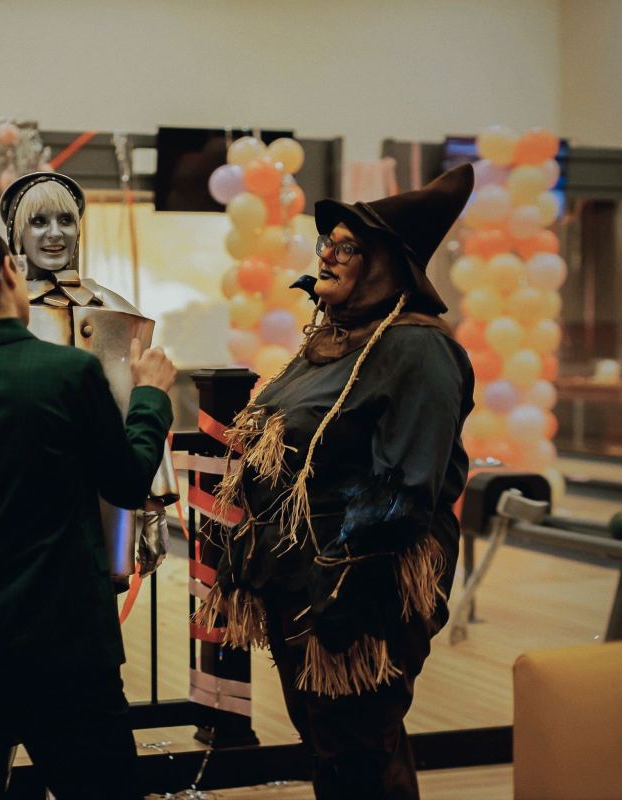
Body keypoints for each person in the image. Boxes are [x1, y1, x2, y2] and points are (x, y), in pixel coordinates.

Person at [198, 164, 476, 799]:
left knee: (356, 747)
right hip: (303, 585)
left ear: (385, 263)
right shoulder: (336, 339)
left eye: (346, 245)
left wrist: (338, 578)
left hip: (358, 593)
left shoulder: (416, 349)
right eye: (325, 242)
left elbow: (408, 488)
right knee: (337, 743)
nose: (325, 253)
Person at [0, 209, 176, 799]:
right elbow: (124, 482)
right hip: (66, 637)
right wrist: (148, 399)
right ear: (8, 271)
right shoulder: (67, 372)